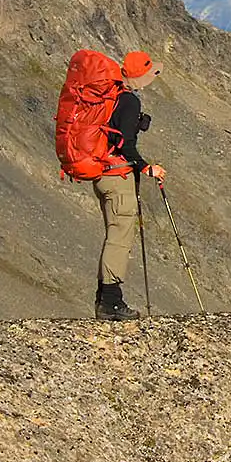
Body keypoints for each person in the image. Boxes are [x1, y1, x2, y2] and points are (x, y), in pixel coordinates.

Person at [93, 51, 165, 321]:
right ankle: (110, 302)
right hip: (117, 176)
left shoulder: (110, 95)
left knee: (115, 232)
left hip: (102, 174)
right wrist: (147, 167)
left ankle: (105, 299)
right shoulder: (129, 100)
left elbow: (116, 133)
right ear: (142, 76)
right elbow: (126, 144)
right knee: (120, 237)